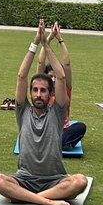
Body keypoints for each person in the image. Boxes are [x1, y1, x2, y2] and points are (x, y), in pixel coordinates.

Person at [0, 21, 89, 205]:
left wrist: (46, 43)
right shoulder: (23, 111)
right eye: (34, 90)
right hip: (25, 179)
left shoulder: (57, 113)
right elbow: (21, 77)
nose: (38, 94)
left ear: (50, 94)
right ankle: (47, 201)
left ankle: (26, 198)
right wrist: (35, 43)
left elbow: (61, 77)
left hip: (54, 179)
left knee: (80, 181)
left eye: (43, 91)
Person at [37, 21, 87, 151]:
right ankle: (56, 144)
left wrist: (60, 39)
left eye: (55, 76)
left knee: (80, 127)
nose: (53, 79)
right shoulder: (42, 90)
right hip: (45, 131)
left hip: (62, 132)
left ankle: (58, 143)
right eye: (50, 76)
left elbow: (67, 64)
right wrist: (47, 39)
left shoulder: (65, 88)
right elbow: (40, 61)